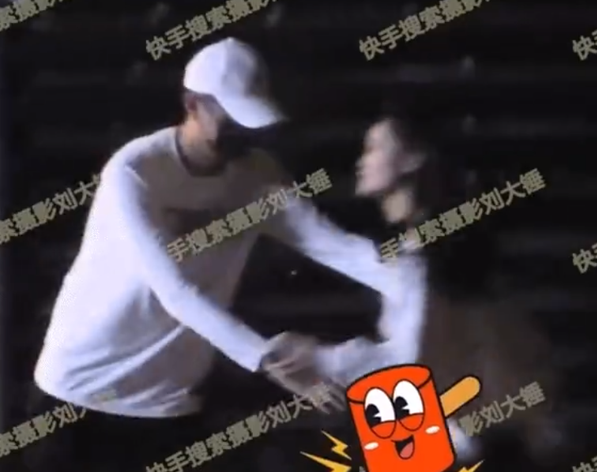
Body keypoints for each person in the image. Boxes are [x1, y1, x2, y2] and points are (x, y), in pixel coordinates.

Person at [26, 38, 425, 472]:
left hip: (168, 400)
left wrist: (424, 283)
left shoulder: (257, 176)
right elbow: (175, 292)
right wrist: (264, 356)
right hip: (80, 389)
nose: (241, 132)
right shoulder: (136, 172)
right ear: (192, 105)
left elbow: (334, 247)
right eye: (229, 118)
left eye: (249, 119)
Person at [334, 103, 563, 469]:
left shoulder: (439, 256)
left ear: (412, 159)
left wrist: (332, 361)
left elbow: (426, 361)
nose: (362, 161)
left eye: (374, 148)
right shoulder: (413, 252)